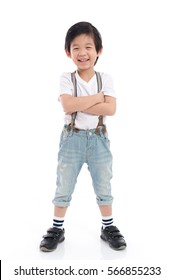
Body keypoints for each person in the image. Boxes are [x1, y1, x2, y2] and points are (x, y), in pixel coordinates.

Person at [40, 21, 126, 252]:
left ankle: (107, 226)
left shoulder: (105, 78)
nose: (82, 52)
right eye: (76, 47)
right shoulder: (67, 78)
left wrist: (81, 104)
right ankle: (57, 228)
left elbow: (111, 110)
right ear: (68, 52)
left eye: (88, 46)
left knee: (103, 183)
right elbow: (68, 106)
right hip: (72, 139)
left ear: (99, 50)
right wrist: (98, 98)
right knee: (64, 183)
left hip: (99, 139)